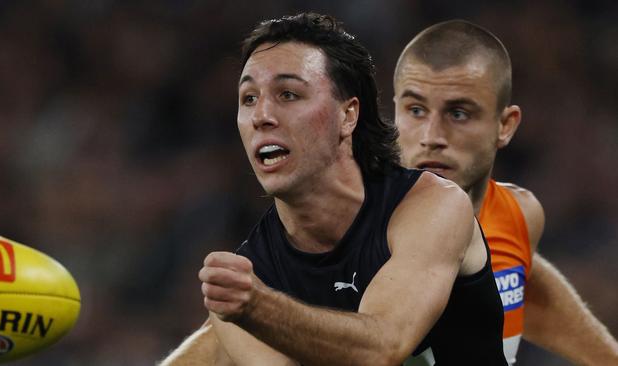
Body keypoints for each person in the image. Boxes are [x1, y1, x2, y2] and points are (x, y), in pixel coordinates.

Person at [160, 12, 507, 365]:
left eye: (288, 94)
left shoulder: (432, 206)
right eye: (248, 98)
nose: (261, 114)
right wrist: (245, 307)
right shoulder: (249, 281)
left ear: (348, 115)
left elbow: (383, 347)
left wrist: (257, 306)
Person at [393, 20, 618, 366]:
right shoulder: (351, 227)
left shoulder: (519, 213)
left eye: (458, 113)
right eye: (416, 110)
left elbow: (528, 292)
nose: (431, 136)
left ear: (505, 126)